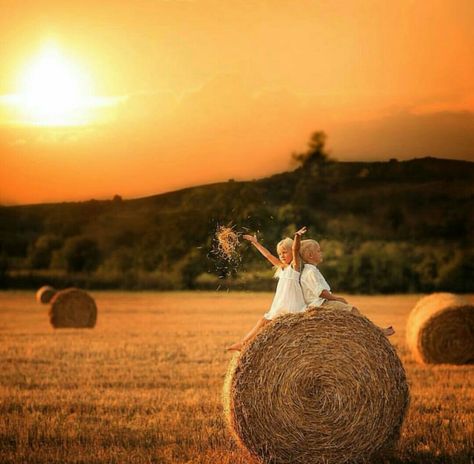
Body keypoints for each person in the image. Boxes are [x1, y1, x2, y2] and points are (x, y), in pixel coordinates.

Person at [227, 227, 307, 351]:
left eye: (285, 252)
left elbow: (295, 249)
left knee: (264, 322)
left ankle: (244, 344)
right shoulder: (282, 268)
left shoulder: (295, 267)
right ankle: (245, 344)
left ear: (291, 252)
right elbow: (268, 255)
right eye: (280, 253)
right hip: (281, 305)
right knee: (263, 321)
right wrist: (256, 243)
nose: (282, 256)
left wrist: (297, 237)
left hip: (291, 306)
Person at [300, 239, 395, 336]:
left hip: (321, 303)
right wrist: (336, 298)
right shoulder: (310, 272)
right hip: (320, 305)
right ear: (310, 255)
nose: (321, 253)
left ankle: (364, 333)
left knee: (348, 310)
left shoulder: (311, 271)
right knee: (353, 310)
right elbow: (321, 292)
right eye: (318, 251)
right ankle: (377, 331)